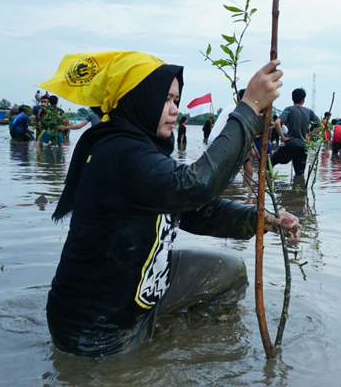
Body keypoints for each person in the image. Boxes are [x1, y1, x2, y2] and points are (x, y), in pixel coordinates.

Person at [39, 51, 297, 357]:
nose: (174, 110)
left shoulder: (145, 152)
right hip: (97, 328)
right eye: (165, 100)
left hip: (139, 292)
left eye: (176, 100)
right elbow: (196, 185)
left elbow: (197, 210)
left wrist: (259, 219)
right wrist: (249, 107)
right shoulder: (120, 152)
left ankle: (173, 328)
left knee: (228, 271)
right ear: (139, 100)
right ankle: (167, 343)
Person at [271, 88, 320, 176]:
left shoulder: (289, 109)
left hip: (291, 144)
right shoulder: (309, 112)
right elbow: (321, 126)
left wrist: (283, 138)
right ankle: (298, 187)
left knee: (270, 163)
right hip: (303, 146)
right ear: (303, 100)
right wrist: (309, 134)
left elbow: (277, 122)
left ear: (292, 98)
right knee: (299, 174)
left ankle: (267, 184)